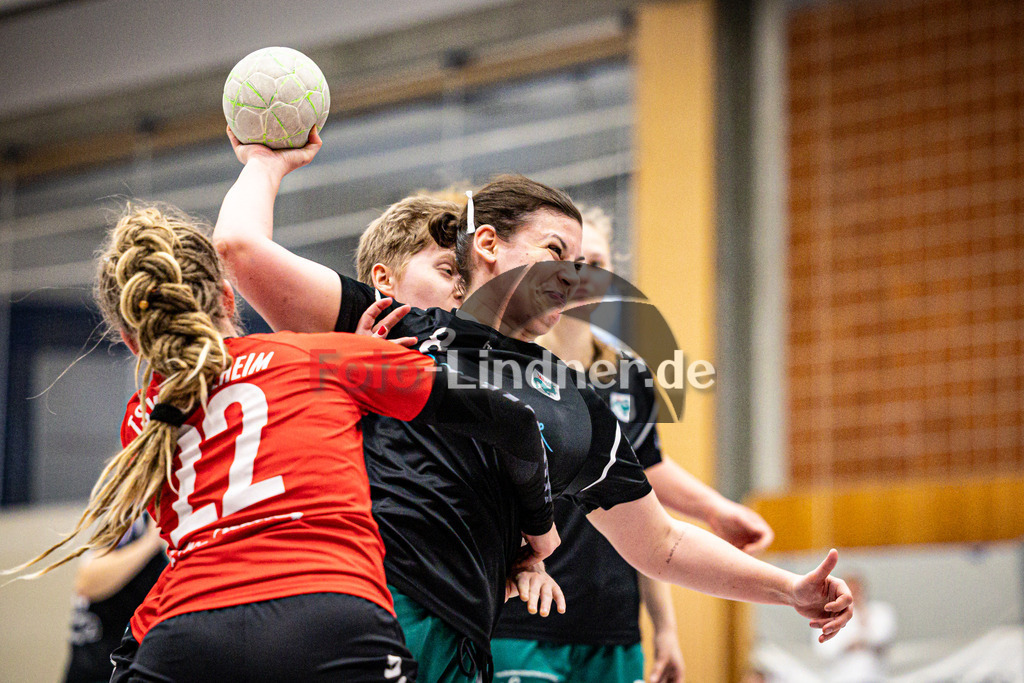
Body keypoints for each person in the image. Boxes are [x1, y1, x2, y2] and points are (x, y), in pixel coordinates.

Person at [214, 130, 854, 682]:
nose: (576, 280)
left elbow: (659, 544)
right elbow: (242, 250)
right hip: (357, 603)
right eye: (555, 254)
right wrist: (266, 163)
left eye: (583, 266)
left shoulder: (576, 402)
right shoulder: (393, 323)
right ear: (487, 243)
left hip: (462, 636)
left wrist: (787, 590)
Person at [7, 203, 557, 683]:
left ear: (130, 339)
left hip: (184, 634)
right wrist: (538, 536)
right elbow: (513, 424)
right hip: (327, 614)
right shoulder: (319, 355)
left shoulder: (147, 415)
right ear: (229, 296)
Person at [490, 205, 774, 683]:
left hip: (613, 627)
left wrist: (665, 627)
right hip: (524, 616)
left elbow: (644, 485)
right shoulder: (509, 367)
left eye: (597, 266)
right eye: (571, 264)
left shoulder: (628, 376)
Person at [63, 515, 166, 683]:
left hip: (122, 664)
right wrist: (151, 542)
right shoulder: (132, 516)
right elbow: (86, 582)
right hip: (97, 665)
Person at [815, 575, 896, 683]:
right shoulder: (826, 617)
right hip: (841, 678)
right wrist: (849, 644)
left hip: (874, 676)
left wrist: (863, 616)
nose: (853, 595)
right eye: (849, 591)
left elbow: (884, 638)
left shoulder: (880, 611)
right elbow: (824, 651)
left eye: (857, 591)